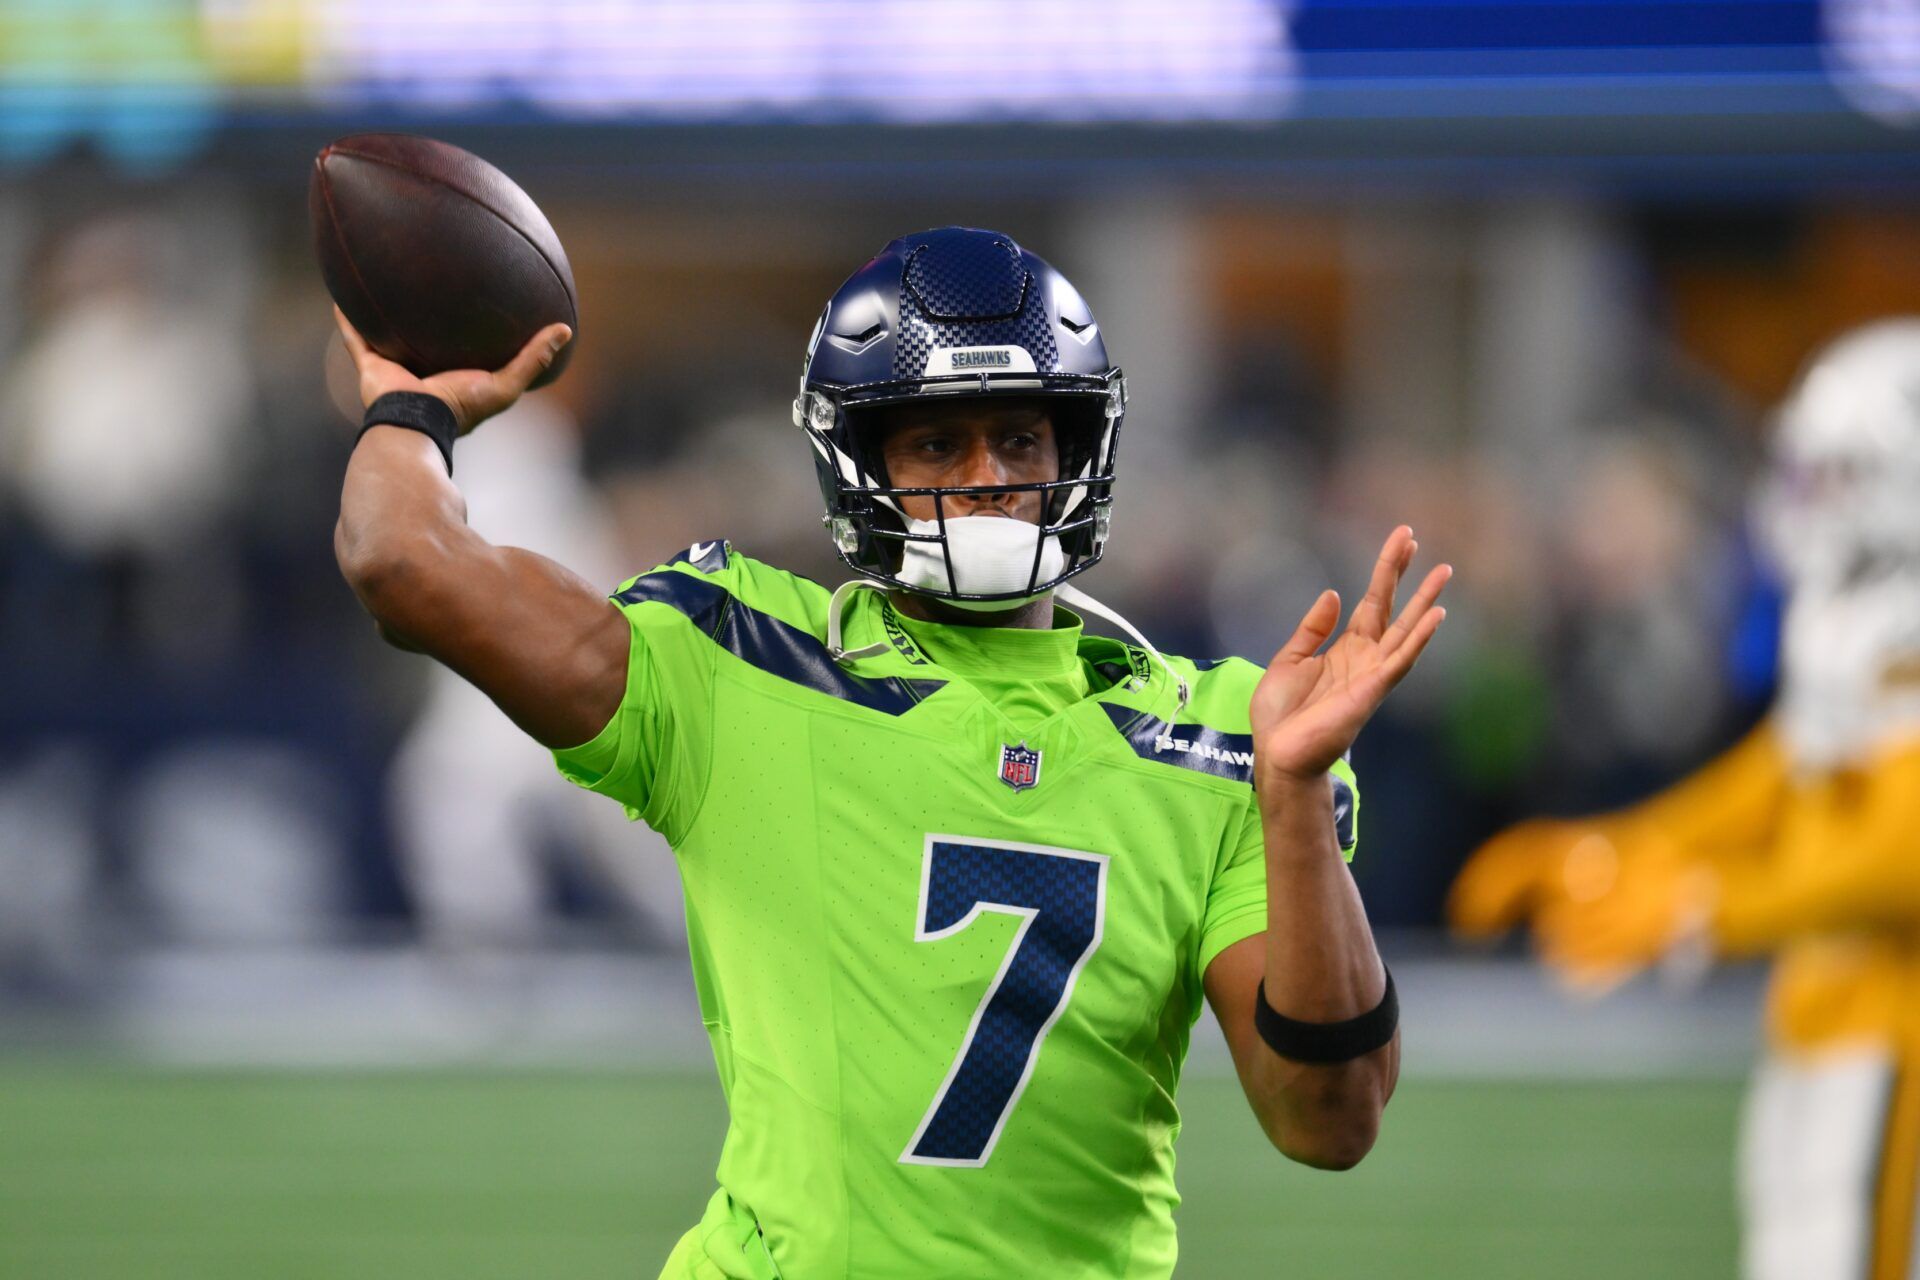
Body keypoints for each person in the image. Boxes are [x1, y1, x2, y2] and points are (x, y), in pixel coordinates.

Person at [332, 227, 1449, 1279]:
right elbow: (402, 558)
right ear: (857, 458)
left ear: (1081, 443)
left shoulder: (1225, 734)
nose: (985, 474)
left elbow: (1328, 1118)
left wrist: (1295, 793)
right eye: (934, 441)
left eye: (1019, 434)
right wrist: (413, 410)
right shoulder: (740, 660)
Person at [1448, 319, 1920, 1280]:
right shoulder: (1859, 615)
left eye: (1837, 476)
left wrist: (1706, 908)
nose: (1808, 503)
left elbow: (1902, 849)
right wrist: (1610, 850)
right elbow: (1786, 776)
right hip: (1830, 1018)